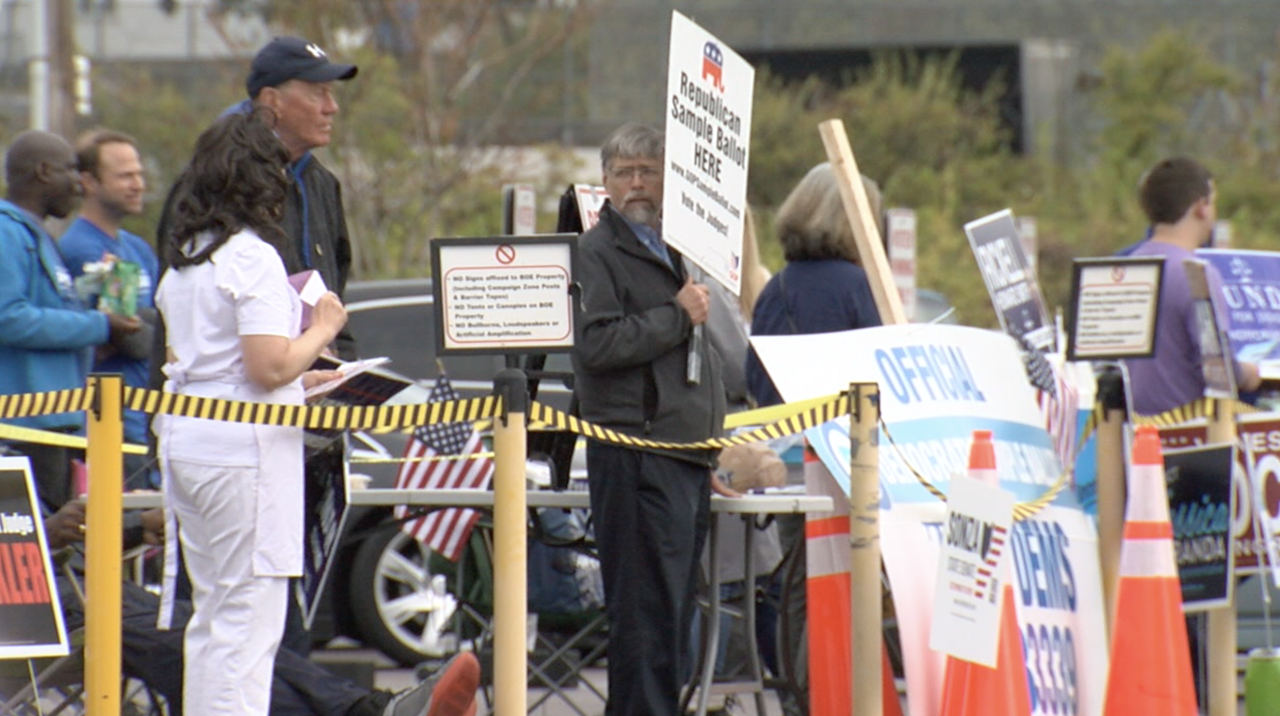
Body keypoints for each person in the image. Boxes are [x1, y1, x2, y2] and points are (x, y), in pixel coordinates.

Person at [152, 110, 348, 716]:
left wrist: (299, 374)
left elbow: (227, 364)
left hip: (192, 439)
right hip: (246, 455)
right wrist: (324, 329)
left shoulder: (187, 256)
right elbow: (266, 368)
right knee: (249, 622)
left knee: (212, 619)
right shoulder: (252, 257)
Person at [31, 497, 480, 716]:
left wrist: (128, 528)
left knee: (214, 627)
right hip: (35, 610)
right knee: (193, 645)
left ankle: (370, 709)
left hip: (72, 589)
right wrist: (45, 534)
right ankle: (370, 712)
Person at [571, 122, 728, 716]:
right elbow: (597, 346)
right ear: (606, 183)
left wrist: (704, 449)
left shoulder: (678, 246)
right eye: (625, 172)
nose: (637, 183)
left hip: (682, 455)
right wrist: (676, 314)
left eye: (648, 171)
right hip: (635, 455)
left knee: (672, 618)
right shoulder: (597, 251)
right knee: (642, 622)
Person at [743, 162, 883, 715]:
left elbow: (757, 381)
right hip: (852, 464)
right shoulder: (857, 287)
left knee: (799, 583)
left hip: (792, 465)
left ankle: (803, 694)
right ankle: (840, 692)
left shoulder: (776, 288)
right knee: (848, 584)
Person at [0, 130, 140, 511]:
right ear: (44, 172)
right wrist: (99, 326)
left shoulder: (36, 234)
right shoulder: (7, 232)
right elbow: (8, 317)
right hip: (24, 427)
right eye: (71, 171)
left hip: (55, 422)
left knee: (62, 550)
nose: (80, 185)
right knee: (39, 552)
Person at [58, 129, 161, 487]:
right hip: (109, 423)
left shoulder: (137, 249)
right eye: (125, 176)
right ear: (88, 181)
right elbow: (129, 339)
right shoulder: (80, 249)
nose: (138, 184)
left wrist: (143, 325)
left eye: (139, 174)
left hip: (146, 418)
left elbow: (163, 327)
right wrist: (139, 327)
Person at [1123, 156, 1261, 416]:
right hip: (1187, 433)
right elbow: (1219, 369)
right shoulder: (1197, 274)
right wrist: (1250, 374)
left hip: (1133, 431)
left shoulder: (1127, 265)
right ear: (1201, 207)